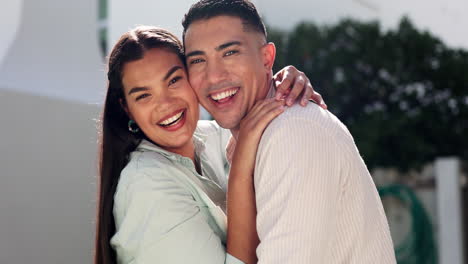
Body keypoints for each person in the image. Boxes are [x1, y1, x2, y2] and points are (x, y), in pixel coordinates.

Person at [182, 0, 397, 263]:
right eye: (198, 60)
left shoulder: (293, 133)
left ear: (266, 58)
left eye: (229, 53)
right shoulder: (240, 139)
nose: (214, 76)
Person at [95, 26, 323, 264]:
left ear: (193, 77)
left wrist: (281, 85)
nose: (166, 105)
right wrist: (240, 173)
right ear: (126, 108)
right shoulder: (146, 185)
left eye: (173, 80)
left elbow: (256, 115)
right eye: (143, 96)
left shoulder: (211, 136)